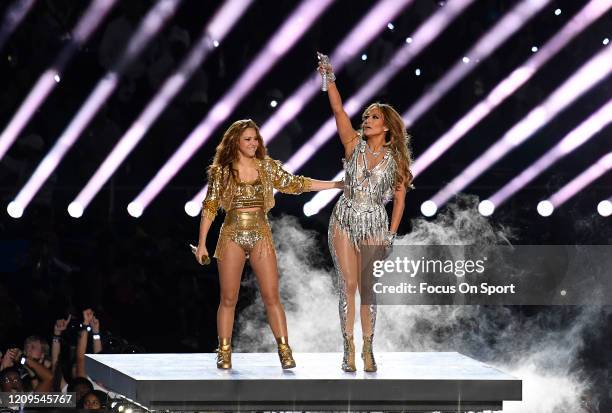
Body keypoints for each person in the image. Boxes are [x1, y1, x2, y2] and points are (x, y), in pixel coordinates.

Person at [193, 119, 342, 369]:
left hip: (261, 233)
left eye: (255, 139)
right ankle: (225, 351)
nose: (253, 143)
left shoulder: (267, 167)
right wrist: (202, 244)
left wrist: (335, 185)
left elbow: (297, 184)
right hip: (231, 234)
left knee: (272, 296)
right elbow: (209, 206)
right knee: (228, 298)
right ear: (235, 142)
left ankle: (284, 350)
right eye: (248, 139)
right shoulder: (223, 171)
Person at [317, 54, 414, 372]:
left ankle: (368, 350)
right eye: (366, 117)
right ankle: (348, 349)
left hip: (375, 221)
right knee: (349, 286)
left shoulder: (396, 159)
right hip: (344, 218)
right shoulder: (352, 144)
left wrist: (391, 234)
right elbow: (337, 109)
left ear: (385, 126)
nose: (366, 121)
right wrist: (329, 77)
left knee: (368, 290)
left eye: (373, 118)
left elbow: (399, 200)